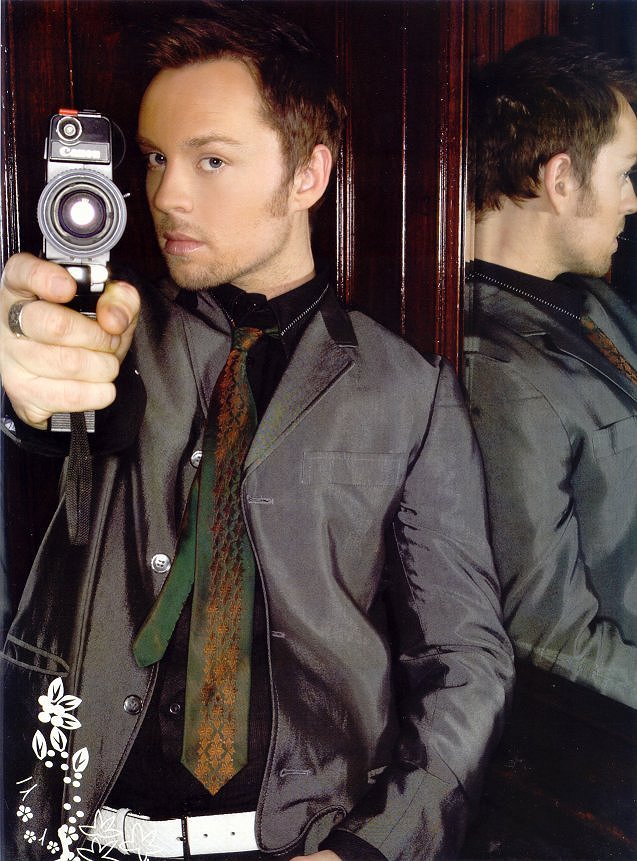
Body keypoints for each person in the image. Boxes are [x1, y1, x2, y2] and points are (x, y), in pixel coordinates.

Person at [0, 6, 513, 861]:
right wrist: (25, 386)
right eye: (156, 158)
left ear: (308, 174)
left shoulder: (409, 393)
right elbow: (51, 421)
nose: (166, 194)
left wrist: (373, 848)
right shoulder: (110, 332)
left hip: (298, 841)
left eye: (211, 160)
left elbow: (464, 655)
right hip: (82, 837)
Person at [465, 35, 637, 710]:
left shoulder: (592, 301)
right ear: (561, 180)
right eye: (625, 174)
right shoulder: (495, 366)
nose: (631, 201)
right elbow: (547, 634)